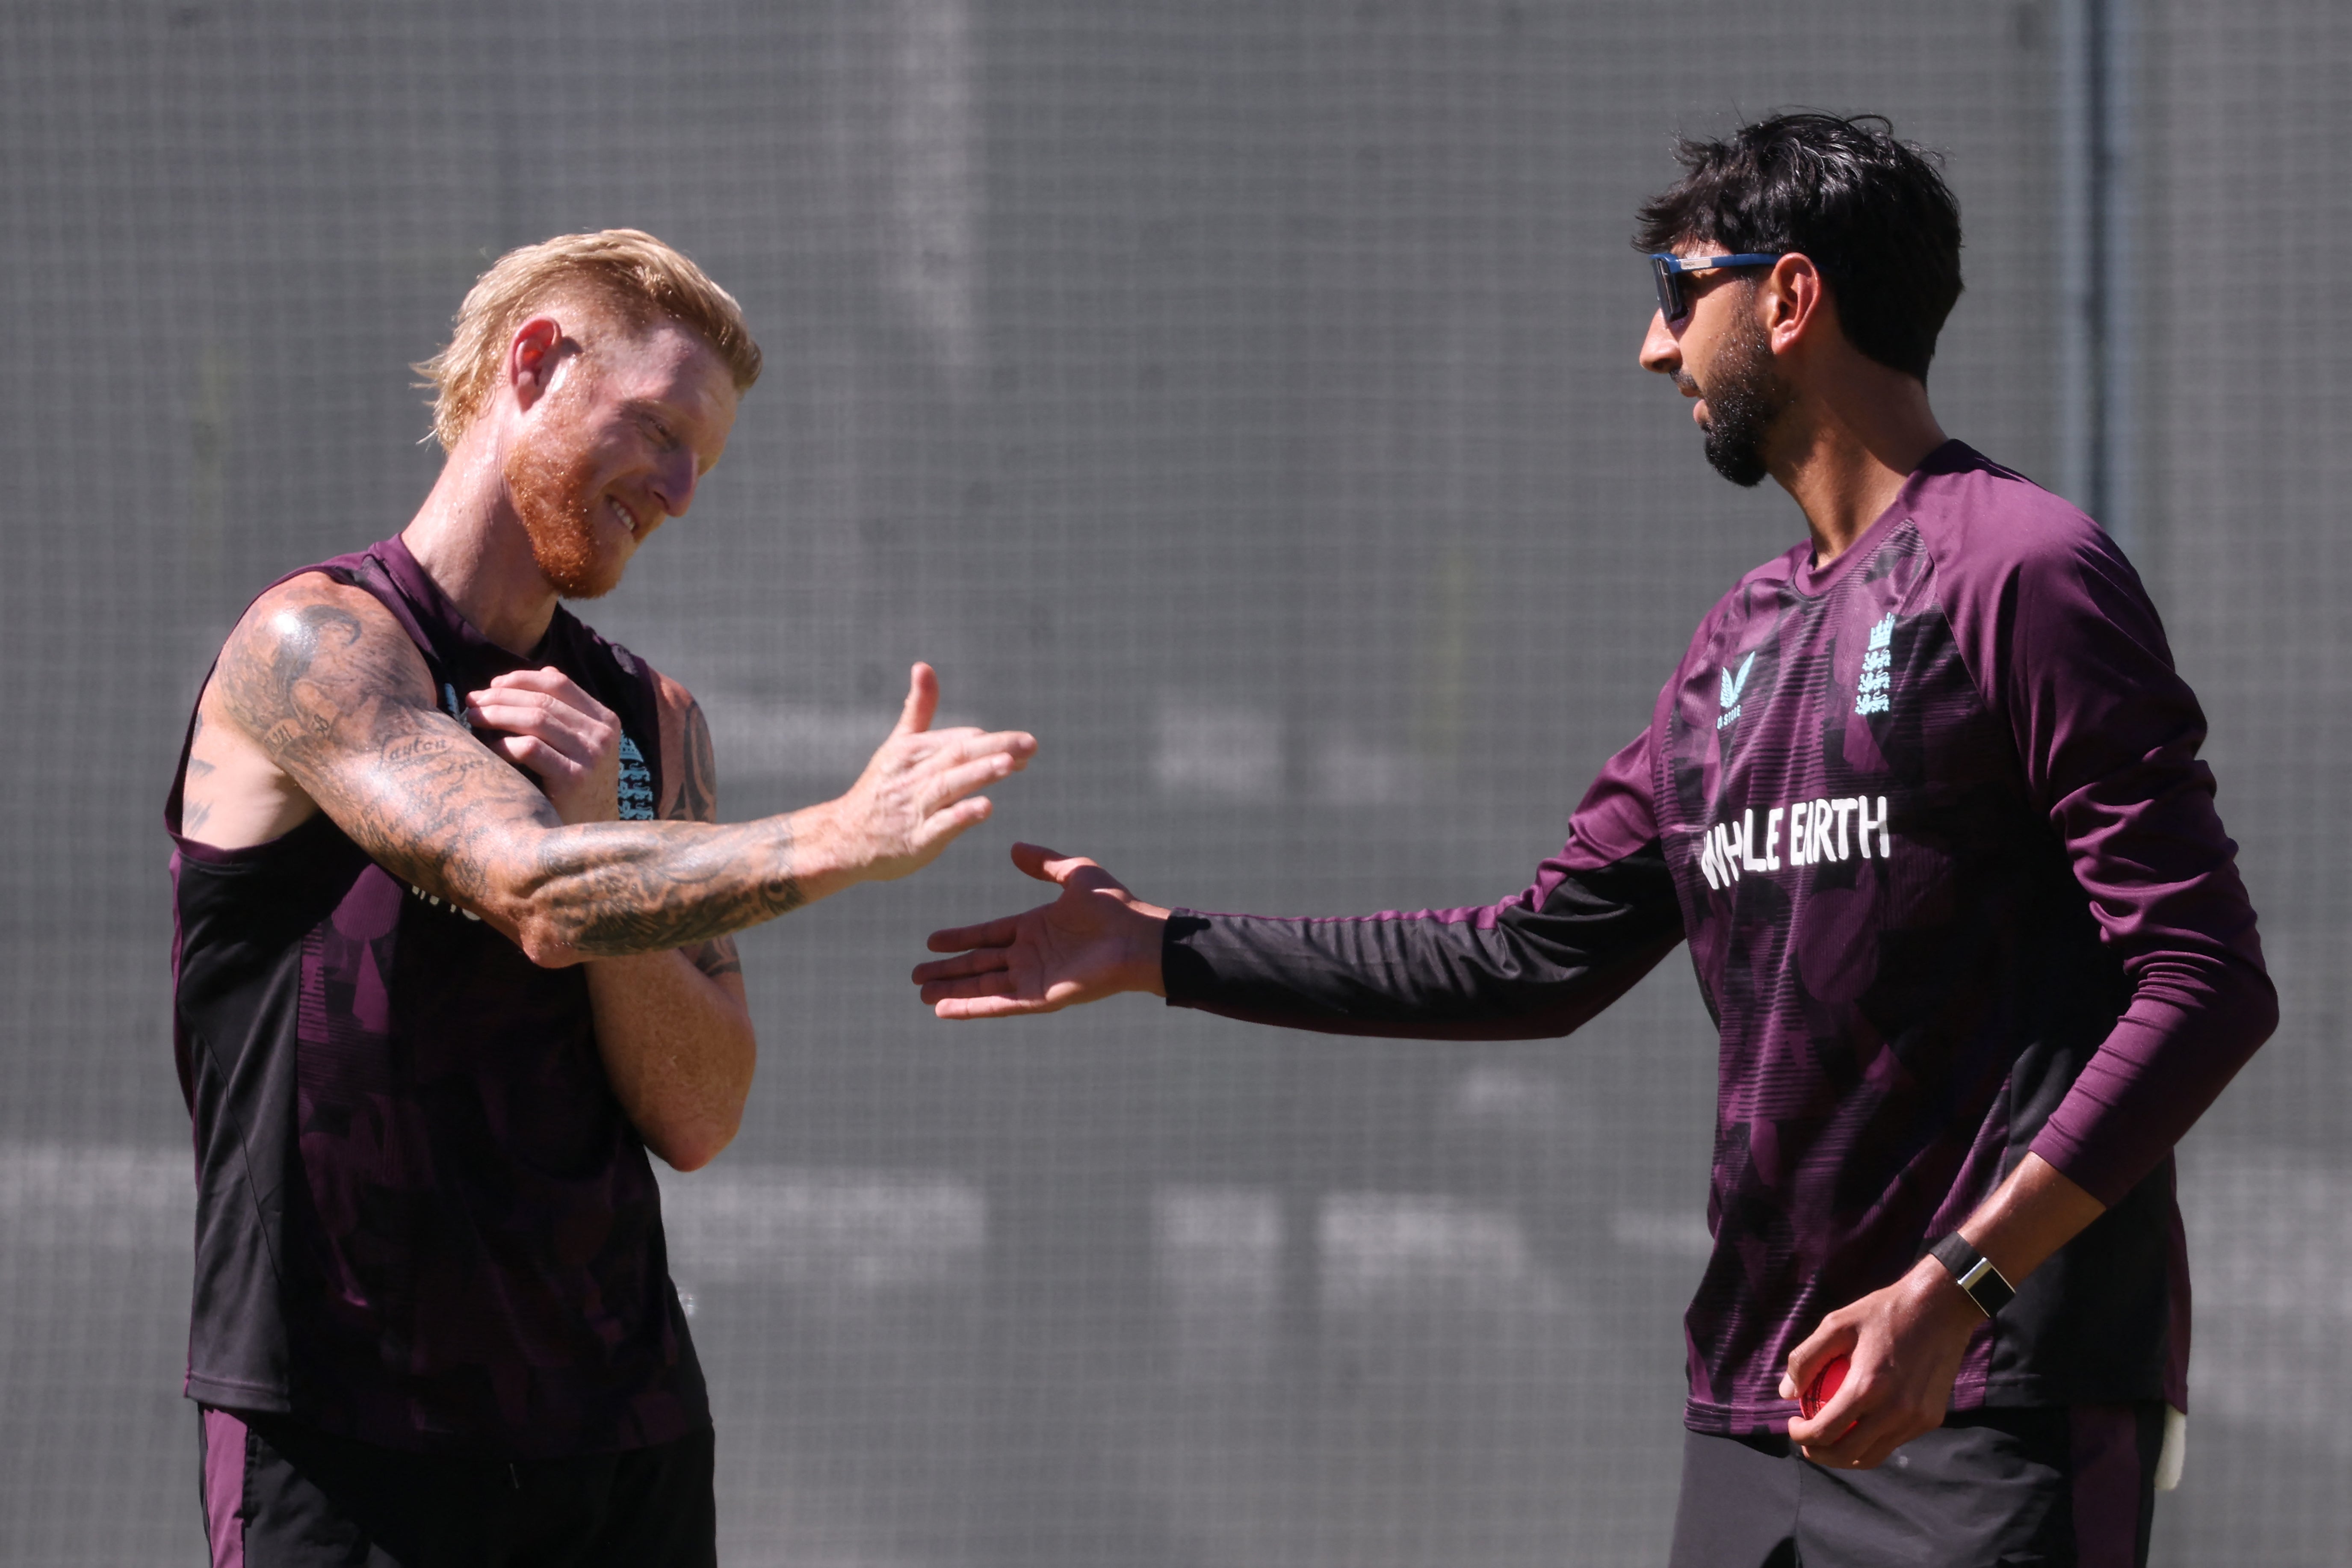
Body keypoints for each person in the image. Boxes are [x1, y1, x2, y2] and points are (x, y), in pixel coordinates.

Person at [911, 115, 2274, 1567]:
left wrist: (1953, 1289)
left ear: (1791, 298)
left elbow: (2203, 982)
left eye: (1680, 292)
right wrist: (1161, 949)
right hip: (1756, 1417)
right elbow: (1529, 956)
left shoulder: (2022, 569)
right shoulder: (1732, 649)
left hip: (1990, 1405)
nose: (1654, 348)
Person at [167, 229, 1037, 1566]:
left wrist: (605, 826)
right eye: (661, 431)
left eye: (708, 462)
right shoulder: (314, 645)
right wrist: (837, 836)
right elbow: (525, 884)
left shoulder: (657, 722)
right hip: (345, 1439)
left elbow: (699, 1110)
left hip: (619, 1441)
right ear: (535, 363)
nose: (683, 491)